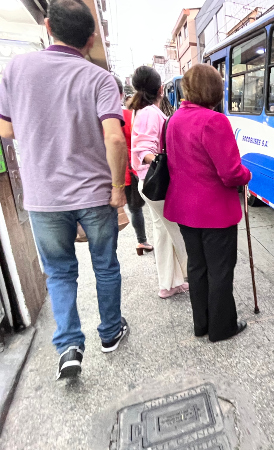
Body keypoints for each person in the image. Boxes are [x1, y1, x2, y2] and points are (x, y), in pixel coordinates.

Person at [0, 0, 129, 379]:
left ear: (46, 26)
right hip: (94, 194)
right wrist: (118, 189)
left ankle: (69, 345)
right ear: (90, 39)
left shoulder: (15, 68)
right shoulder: (99, 78)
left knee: (58, 273)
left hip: (43, 197)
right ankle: (110, 332)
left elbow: (5, 130)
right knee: (105, 266)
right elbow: (115, 140)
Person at [164, 64, 251, 342]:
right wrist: (246, 173)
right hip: (214, 212)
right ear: (215, 89)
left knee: (197, 267)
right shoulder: (214, 121)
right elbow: (231, 173)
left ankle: (201, 323)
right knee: (221, 270)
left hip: (184, 208)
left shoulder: (175, 119)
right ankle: (222, 327)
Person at [130, 66, 189, 299]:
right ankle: (196, 277)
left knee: (163, 233)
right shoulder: (150, 113)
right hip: (157, 184)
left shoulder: (141, 111)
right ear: (161, 89)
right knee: (181, 233)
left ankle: (169, 284)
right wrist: (166, 164)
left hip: (148, 182)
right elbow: (143, 150)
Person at [113, 76, 153, 256]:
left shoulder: (96, 118)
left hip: (106, 172)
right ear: (121, 94)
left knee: (107, 213)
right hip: (129, 169)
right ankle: (141, 241)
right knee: (135, 208)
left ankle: (109, 249)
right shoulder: (130, 115)